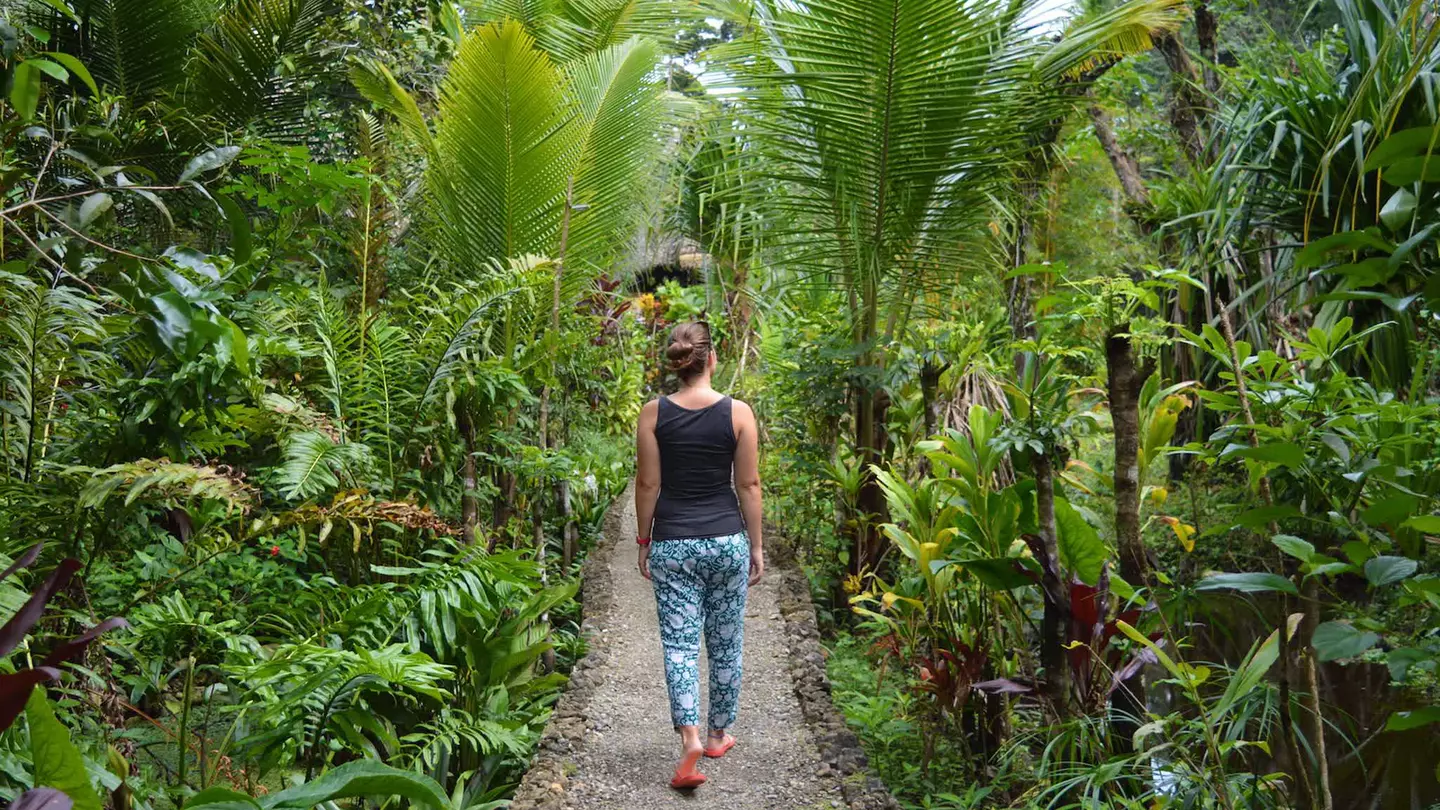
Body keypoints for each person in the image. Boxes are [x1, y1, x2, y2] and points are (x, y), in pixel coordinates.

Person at [634, 321, 764, 790]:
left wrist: (644, 541)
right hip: (726, 539)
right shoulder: (739, 413)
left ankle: (688, 736)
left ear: (678, 365)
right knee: (726, 642)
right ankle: (716, 735)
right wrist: (755, 545)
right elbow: (748, 484)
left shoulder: (653, 413)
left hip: (672, 543)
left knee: (681, 645)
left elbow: (648, 484)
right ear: (711, 359)